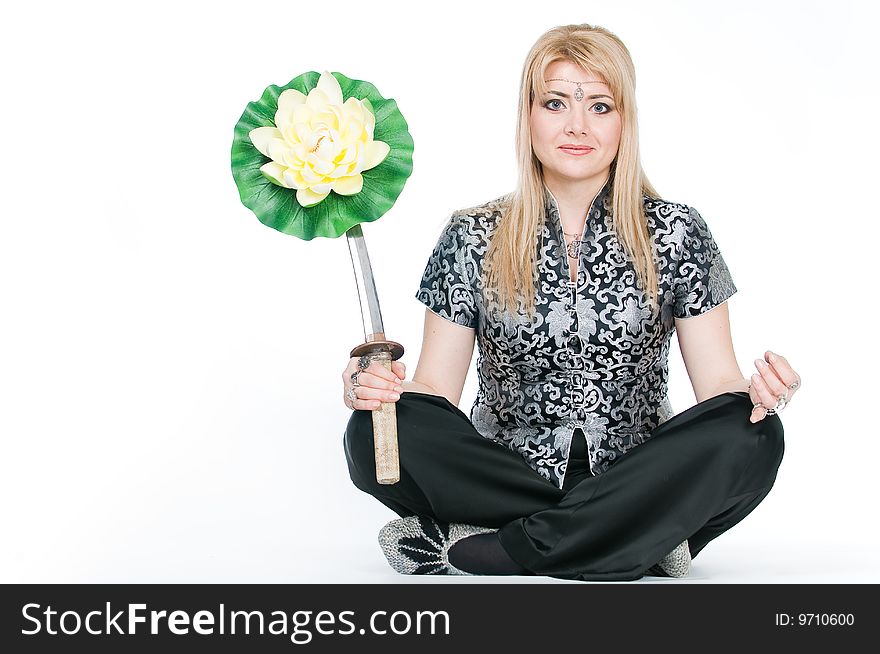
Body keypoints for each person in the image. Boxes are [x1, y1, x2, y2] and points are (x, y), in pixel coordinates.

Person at [341, 23, 801, 582]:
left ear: (624, 121)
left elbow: (720, 389)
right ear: (528, 117)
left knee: (752, 431)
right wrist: (374, 391)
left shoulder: (678, 231)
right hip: (507, 472)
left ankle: (494, 549)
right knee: (374, 433)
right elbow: (436, 390)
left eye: (600, 106)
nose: (577, 125)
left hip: (638, 470)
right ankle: (639, 540)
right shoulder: (473, 234)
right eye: (556, 103)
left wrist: (763, 396)